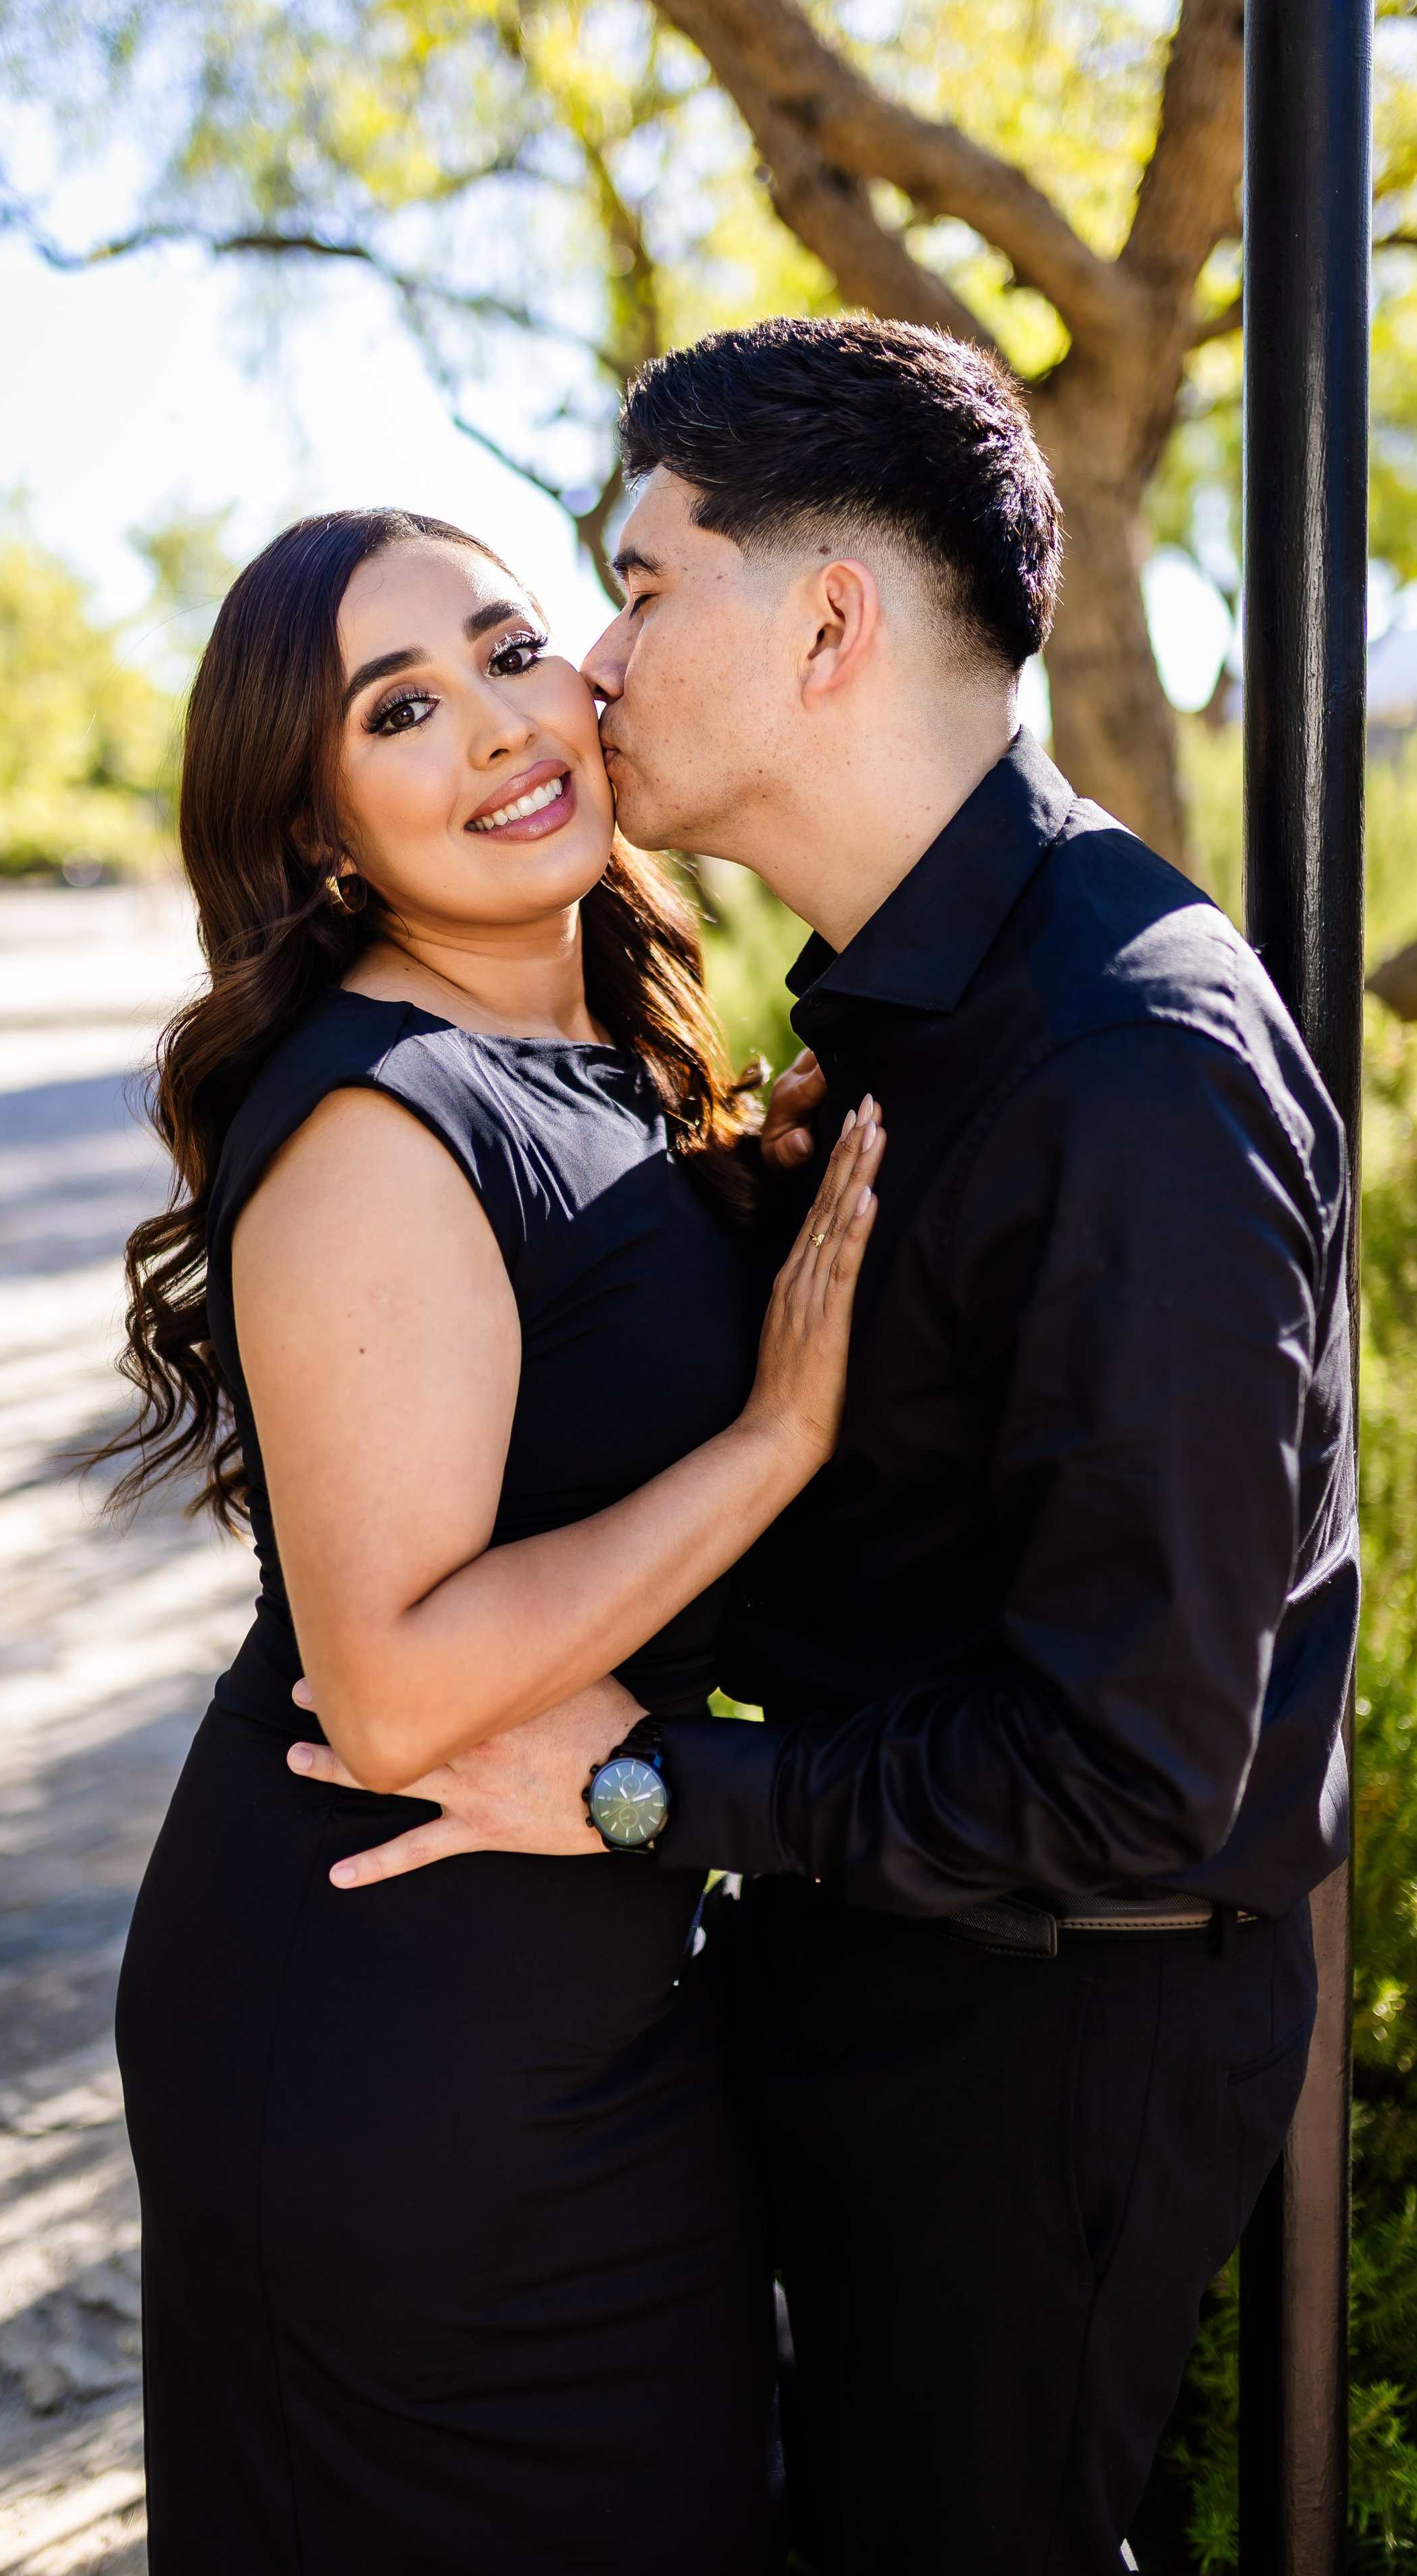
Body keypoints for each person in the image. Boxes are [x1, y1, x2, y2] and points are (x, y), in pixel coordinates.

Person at [314, 318, 1358, 2575]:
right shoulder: (901, 1011)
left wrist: (635, 1786)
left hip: (1047, 2039)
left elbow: (1130, 1773)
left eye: (641, 583)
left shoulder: (1127, 1066)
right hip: (891, 1980)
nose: (592, 663)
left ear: (827, 622)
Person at [109, 503, 887, 2573]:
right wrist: (776, 1434)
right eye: (403, 709)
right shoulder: (378, 1125)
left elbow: (572, 1350)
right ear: (322, 823)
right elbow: (389, 1685)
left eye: (512, 648)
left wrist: (744, 1176)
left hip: (580, 1986)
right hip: (386, 2014)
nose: (499, 730)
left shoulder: (587, 1044)